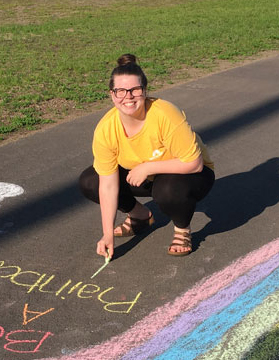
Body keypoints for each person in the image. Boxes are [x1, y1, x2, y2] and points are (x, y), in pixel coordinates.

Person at [79, 54, 215, 257]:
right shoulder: (106, 129)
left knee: (167, 189)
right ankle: (139, 216)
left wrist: (148, 168)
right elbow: (107, 185)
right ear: (112, 94)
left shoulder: (165, 114)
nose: (129, 96)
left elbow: (194, 164)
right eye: (121, 91)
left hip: (191, 174)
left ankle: (182, 229)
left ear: (144, 91)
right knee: (91, 181)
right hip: (144, 177)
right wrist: (107, 234)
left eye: (135, 89)